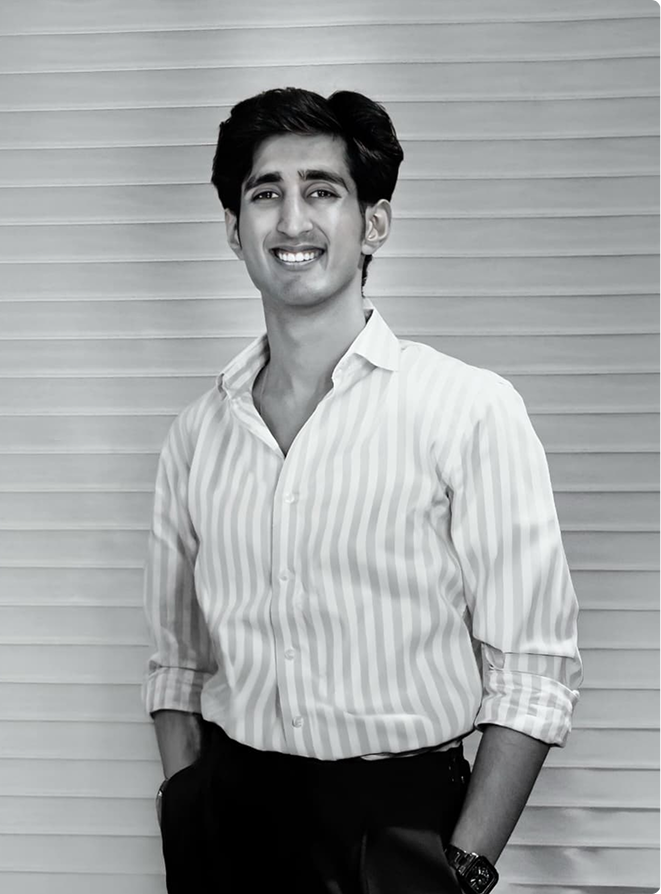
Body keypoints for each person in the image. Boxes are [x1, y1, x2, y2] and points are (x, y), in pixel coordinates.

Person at [141, 87, 582, 894]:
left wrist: (461, 866)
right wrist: (185, 804)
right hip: (227, 825)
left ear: (372, 222)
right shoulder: (194, 436)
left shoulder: (468, 409)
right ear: (234, 230)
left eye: (322, 190)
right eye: (264, 193)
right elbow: (178, 662)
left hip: (400, 827)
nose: (292, 220)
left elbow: (533, 669)